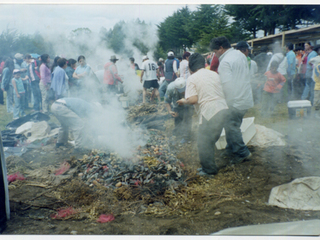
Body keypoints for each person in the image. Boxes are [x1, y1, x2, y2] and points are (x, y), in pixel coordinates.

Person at [177, 53, 228, 176]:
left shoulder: (192, 78)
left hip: (210, 111)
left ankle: (209, 170)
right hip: (223, 108)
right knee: (210, 140)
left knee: (203, 142)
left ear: (190, 67)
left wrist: (184, 101)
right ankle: (208, 166)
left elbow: (193, 100)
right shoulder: (214, 74)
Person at [210, 36, 253, 163]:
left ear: (221, 48)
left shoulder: (225, 62)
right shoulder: (239, 55)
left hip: (235, 100)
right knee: (232, 124)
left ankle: (242, 152)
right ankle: (230, 149)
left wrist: (225, 104)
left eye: (215, 51)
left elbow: (227, 85)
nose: (215, 55)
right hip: (245, 97)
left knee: (231, 126)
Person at [164, 77, 193, 143]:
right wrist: (170, 111)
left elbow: (193, 98)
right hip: (177, 105)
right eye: (181, 91)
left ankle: (186, 136)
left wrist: (185, 101)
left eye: (184, 90)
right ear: (176, 88)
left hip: (188, 104)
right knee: (177, 119)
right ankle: (177, 135)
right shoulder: (170, 88)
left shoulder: (189, 85)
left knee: (187, 119)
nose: (183, 92)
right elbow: (167, 101)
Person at [309, 45, 320, 117]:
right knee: (316, 100)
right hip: (318, 86)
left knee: (316, 99)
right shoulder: (317, 67)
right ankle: (316, 112)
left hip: (317, 85)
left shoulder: (316, 63)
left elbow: (309, 62)